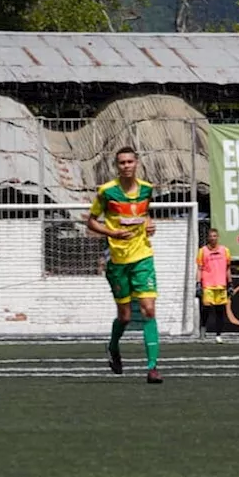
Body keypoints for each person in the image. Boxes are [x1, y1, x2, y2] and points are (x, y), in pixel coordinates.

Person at [87, 146, 163, 384]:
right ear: (116, 166)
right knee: (126, 316)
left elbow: (145, 214)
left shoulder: (147, 189)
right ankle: (112, 346)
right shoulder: (106, 192)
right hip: (118, 261)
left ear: (136, 163)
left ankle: (152, 368)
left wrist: (150, 225)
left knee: (149, 310)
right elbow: (91, 222)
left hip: (143, 256)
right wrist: (112, 233)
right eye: (122, 162)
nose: (126, 166)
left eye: (130, 161)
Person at [196, 227, 232, 344]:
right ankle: (203, 330)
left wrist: (230, 283)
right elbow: (199, 269)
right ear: (208, 237)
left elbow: (228, 268)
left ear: (218, 237)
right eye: (211, 236)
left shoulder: (225, 250)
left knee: (220, 310)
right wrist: (198, 283)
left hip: (221, 285)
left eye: (215, 236)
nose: (213, 238)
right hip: (208, 284)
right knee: (206, 308)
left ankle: (218, 335)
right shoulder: (203, 251)